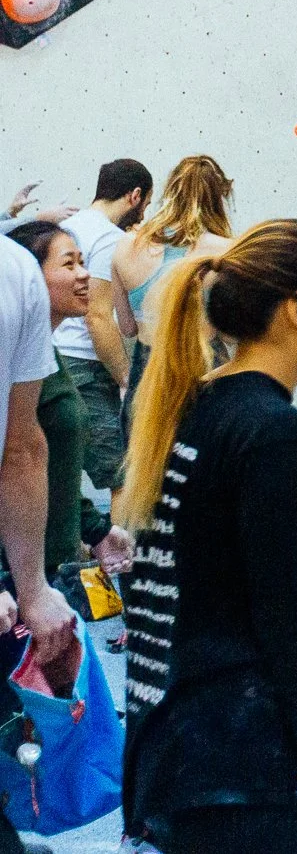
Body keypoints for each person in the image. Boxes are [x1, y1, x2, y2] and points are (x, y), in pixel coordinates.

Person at [119, 220, 297, 854]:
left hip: (171, 748)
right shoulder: (272, 436)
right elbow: (294, 620)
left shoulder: (191, 409)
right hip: (237, 770)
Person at [3, 224, 135, 582]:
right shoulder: (11, 360)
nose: (84, 275)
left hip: (47, 570)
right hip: (17, 579)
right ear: (28, 277)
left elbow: (51, 465)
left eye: (83, 262)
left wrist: (96, 530)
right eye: (69, 264)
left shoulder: (46, 354)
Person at [112, 156, 238, 440]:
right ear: (218, 198)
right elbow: (232, 334)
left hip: (146, 374)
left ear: (170, 192)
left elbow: (128, 328)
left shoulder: (125, 246)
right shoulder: (226, 251)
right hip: (203, 369)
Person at [0, 234, 77, 674]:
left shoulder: (15, 271)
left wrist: (32, 589)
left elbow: (24, 449)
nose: (83, 275)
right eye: (69, 263)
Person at [55, 159, 151, 494]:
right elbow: (96, 316)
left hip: (54, 358)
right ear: (134, 196)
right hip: (85, 368)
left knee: (58, 470)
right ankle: (117, 547)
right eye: (146, 206)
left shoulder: (68, 227)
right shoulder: (110, 239)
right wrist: (126, 379)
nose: (143, 216)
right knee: (122, 478)